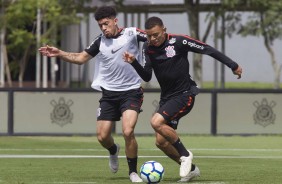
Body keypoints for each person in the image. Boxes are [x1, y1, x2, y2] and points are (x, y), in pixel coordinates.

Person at [123, 16, 243, 182]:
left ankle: (186, 155)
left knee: (156, 122)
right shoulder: (148, 48)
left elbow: (207, 49)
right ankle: (192, 170)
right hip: (166, 98)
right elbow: (147, 75)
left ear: (164, 30)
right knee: (161, 142)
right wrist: (134, 62)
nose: (153, 38)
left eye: (156, 34)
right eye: (149, 36)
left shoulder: (180, 41)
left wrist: (233, 65)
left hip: (184, 94)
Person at [39, 6, 147, 183]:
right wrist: (59, 53)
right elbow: (80, 58)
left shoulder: (132, 34)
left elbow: (153, 36)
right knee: (102, 137)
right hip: (109, 94)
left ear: (115, 21)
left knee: (128, 131)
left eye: (106, 23)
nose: (104, 28)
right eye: (100, 25)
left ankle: (133, 172)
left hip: (131, 91)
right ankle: (113, 150)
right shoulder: (100, 42)